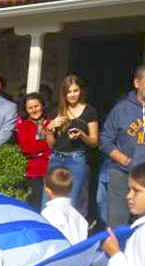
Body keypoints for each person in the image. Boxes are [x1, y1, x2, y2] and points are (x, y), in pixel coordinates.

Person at [99, 63, 145, 227]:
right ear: (137, 83)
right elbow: (105, 140)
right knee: (118, 226)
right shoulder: (122, 109)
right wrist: (126, 161)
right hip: (123, 175)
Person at [45, 74, 99, 212]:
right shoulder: (57, 110)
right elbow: (51, 145)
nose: (72, 94)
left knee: (72, 202)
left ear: (80, 91)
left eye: (75, 90)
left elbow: (94, 141)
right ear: (64, 93)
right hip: (56, 158)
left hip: (77, 159)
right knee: (48, 200)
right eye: (69, 92)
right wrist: (49, 129)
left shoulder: (89, 111)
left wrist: (81, 135)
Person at [15, 92, 51, 209]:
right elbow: (28, 149)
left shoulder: (50, 124)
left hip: (49, 171)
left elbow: (55, 146)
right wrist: (46, 144)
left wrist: (39, 147)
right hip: (33, 172)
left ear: (42, 106)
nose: (34, 110)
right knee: (34, 206)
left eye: (36, 106)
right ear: (26, 110)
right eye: (30, 108)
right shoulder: (23, 126)